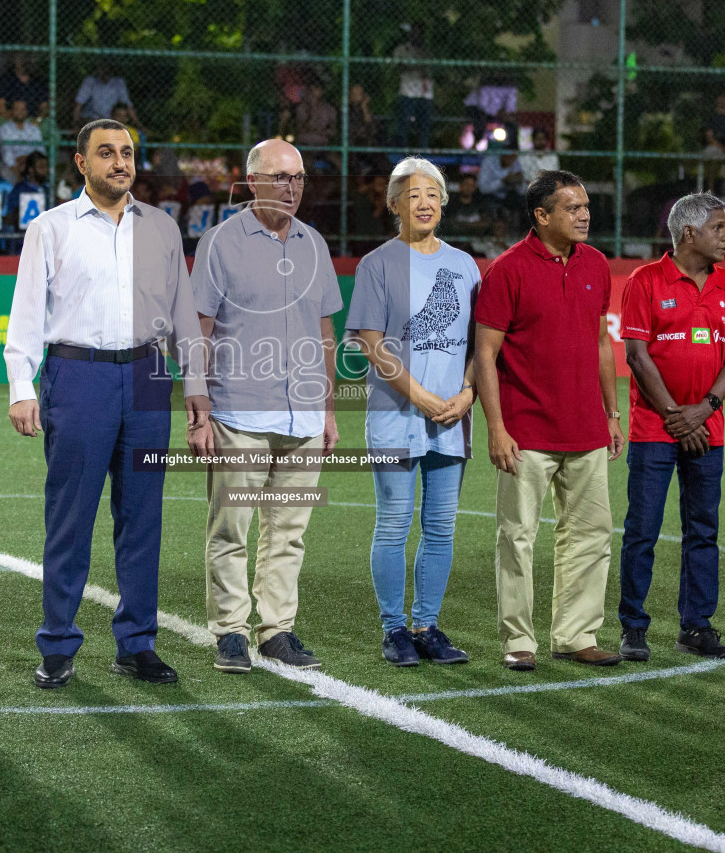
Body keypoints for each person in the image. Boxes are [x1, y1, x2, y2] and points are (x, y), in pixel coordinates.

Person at [4, 119, 210, 690]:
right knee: (71, 516)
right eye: (106, 153)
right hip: (77, 375)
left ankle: (136, 644)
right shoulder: (51, 228)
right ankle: (58, 643)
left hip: (148, 374)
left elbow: (184, 314)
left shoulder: (163, 228)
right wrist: (22, 387)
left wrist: (196, 385)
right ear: (81, 163)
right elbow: (26, 313)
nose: (120, 162)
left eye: (126, 153)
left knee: (143, 517)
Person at [191, 139, 342, 673]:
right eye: (280, 177)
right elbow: (198, 330)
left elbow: (325, 333)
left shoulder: (314, 244)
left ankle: (277, 629)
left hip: (303, 415)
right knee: (230, 529)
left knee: (289, 531)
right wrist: (199, 409)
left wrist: (327, 411)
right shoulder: (219, 242)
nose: (292, 187)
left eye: (299, 177)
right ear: (251, 181)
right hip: (238, 411)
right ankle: (230, 631)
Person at [474, 170, 624, 672]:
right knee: (517, 537)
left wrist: (612, 412)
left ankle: (576, 634)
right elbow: (486, 354)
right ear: (541, 216)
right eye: (571, 208)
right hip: (526, 432)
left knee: (591, 534)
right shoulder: (507, 269)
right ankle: (519, 639)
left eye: (585, 206)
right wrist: (496, 427)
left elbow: (602, 342)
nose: (584, 215)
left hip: (586, 428)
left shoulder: (597, 265)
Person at [348, 157, 479, 668]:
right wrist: (419, 395)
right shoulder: (377, 264)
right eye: (413, 194)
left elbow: (479, 342)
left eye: (433, 194)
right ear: (394, 204)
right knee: (394, 523)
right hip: (396, 415)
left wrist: (468, 392)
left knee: (442, 526)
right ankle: (394, 629)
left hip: (453, 413)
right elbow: (370, 344)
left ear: (443, 203)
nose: (424, 202)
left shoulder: (465, 265)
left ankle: (426, 624)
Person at [618, 193, 725, 662]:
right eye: (720, 227)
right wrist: (679, 414)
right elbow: (637, 355)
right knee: (643, 530)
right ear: (689, 234)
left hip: (707, 428)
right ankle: (633, 626)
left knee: (703, 531)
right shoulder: (644, 281)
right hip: (656, 428)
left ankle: (696, 625)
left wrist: (707, 406)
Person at [392, 25, 434, 150]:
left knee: (424, 124)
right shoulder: (402, 50)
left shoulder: (428, 52)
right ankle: (402, 150)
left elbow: (431, 70)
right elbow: (399, 66)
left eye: (420, 33)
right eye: (414, 33)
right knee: (405, 122)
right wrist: (416, 68)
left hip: (425, 93)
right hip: (408, 92)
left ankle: (423, 150)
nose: (417, 36)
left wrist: (417, 68)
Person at [0, 98, 44, 170]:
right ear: (12, 111)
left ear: (26, 112)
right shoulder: (4, 129)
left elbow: (41, 150)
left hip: (32, 165)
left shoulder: (34, 129)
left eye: (23, 110)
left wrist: (29, 160)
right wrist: (14, 167)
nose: (20, 112)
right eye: (17, 109)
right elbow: (5, 152)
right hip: (13, 166)